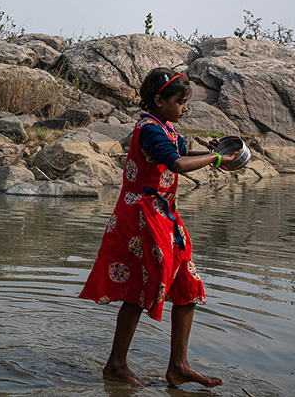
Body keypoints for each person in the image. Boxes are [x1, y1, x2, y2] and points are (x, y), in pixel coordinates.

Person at [80, 68, 242, 387]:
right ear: (159, 100)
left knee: (186, 285)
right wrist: (215, 160)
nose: (185, 108)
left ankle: (178, 366)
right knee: (143, 288)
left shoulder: (165, 126)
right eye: (181, 102)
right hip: (142, 216)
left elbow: (181, 152)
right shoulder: (150, 130)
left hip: (164, 215)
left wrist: (212, 152)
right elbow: (177, 164)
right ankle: (116, 364)